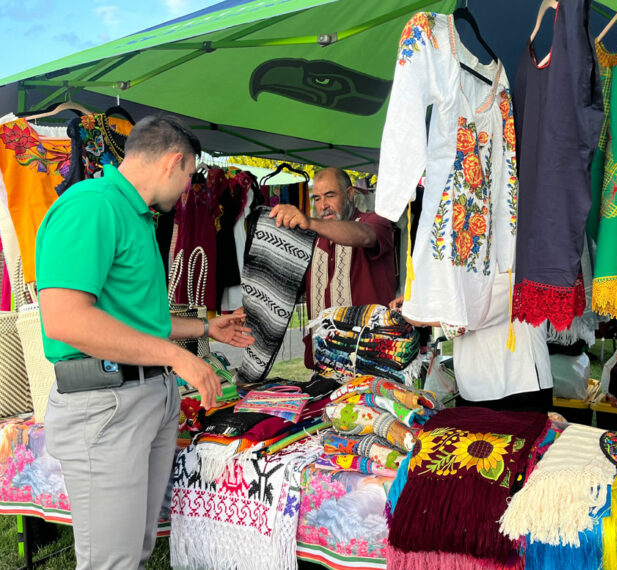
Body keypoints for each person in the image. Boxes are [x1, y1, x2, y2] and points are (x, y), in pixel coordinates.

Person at [36, 115, 254, 569]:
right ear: (174, 161)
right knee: (110, 561)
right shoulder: (92, 206)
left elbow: (138, 321)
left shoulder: (134, 215)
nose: (187, 189)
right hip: (105, 406)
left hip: (143, 399)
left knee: (134, 550)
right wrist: (177, 358)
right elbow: (65, 320)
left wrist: (205, 328)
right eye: (191, 175)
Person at [270, 167, 396, 367]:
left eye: (330, 196)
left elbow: (364, 235)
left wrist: (310, 222)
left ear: (350, 194)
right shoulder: (312, 238)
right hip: (324, 363)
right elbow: (293, 287)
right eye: (317, 199)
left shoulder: (376, 221)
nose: (323, 206)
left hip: (372, 362)